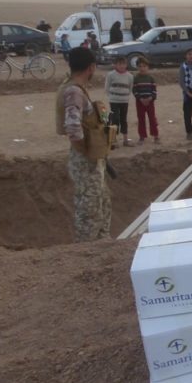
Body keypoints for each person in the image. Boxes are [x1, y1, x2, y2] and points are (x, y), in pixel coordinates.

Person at [55, 48, 112, 242]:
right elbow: (73, 128)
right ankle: (86, 253)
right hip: (85, 160)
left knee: (101, 204)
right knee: (89, 212)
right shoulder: (73, 91)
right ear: (91, 67)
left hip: (90, 158)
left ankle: (102, 246)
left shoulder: (74, 88)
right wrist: (86, 148)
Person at [104, 56, 134, 147]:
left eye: (123, 64)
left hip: (124, 101)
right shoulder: (111, 75)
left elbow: (130, 88)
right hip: (114, 101)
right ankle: (114, 141)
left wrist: (126, 96)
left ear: (126, 65)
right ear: (115, 65)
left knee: (123, 119)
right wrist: (111, 96)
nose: (121, 66)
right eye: (119, 64)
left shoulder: (130, 76)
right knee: (115, 119)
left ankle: (125, 140)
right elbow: (107, 87)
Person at [132, 56, 159, 144]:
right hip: (140, 102)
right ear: (137, 67)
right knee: (141, 119)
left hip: (150, 102)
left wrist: (150, 98)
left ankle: (156, 136)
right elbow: (135, 91)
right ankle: (142, 136)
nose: (142, 68)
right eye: (140, 66)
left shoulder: (151, 78)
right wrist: (141, 99)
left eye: (144, 66)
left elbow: (154, 91)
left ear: (148, 67)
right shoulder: (136, 79)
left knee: (152, 119)